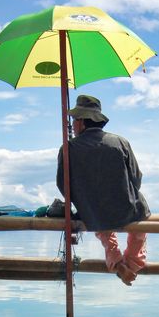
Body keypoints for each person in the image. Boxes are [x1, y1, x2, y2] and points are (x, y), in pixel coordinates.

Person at [57, 94, 150, 286]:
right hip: (127, 209)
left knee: (102, 226)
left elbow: (63, 185)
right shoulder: (120, 142)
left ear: (81, 122)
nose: (73, 125)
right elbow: (136, 178)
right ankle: (131, 265)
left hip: (92, 213)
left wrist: (85, 201)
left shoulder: (68, 148)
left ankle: (118, 263)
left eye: (74, 120)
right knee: (140, 226)